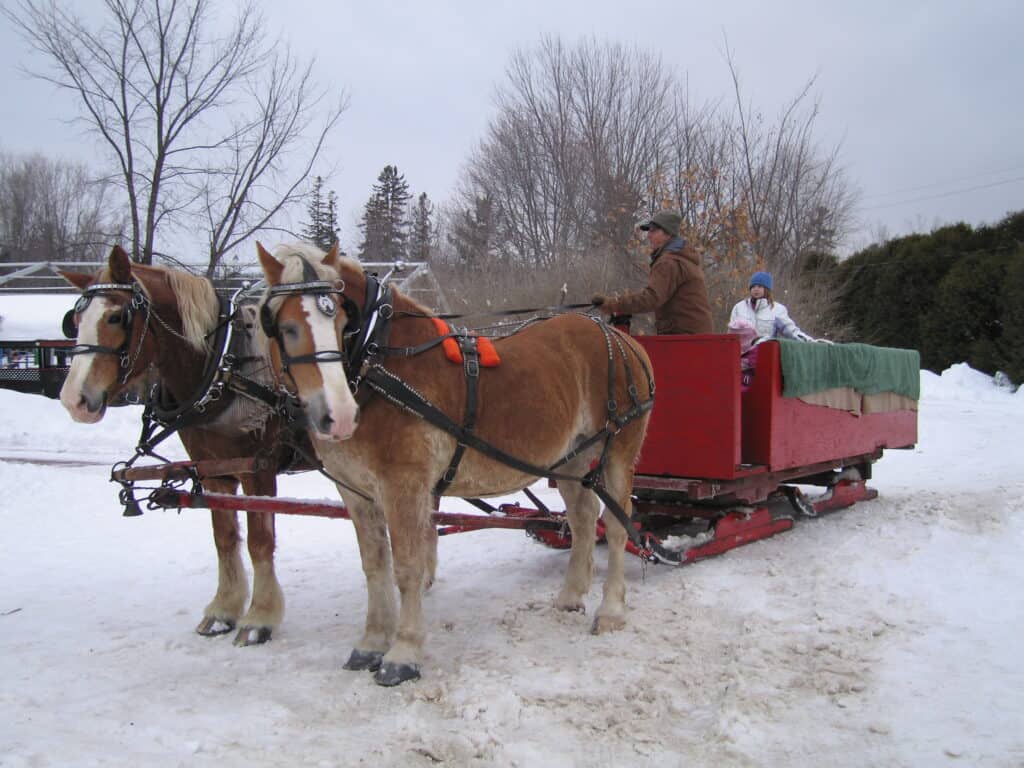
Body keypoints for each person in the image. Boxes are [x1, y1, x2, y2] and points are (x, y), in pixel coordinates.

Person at [592, 211, 713, 335]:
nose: (649, 235)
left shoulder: (669, 262)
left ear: (667, 234)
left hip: (683, 337)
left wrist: (614, 304)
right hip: (694, 334)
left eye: (653, 231)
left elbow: (651, 298)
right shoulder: (680, 258)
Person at [729, 271, 819, 342]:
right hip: (741, 357)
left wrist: (810, 341)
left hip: (765, 356)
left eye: (760, 286)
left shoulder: (777, 310)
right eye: (753, 287)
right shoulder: (739, 307)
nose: (756, 289)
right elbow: (731, 335)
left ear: (767, 289)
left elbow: (792, 331)